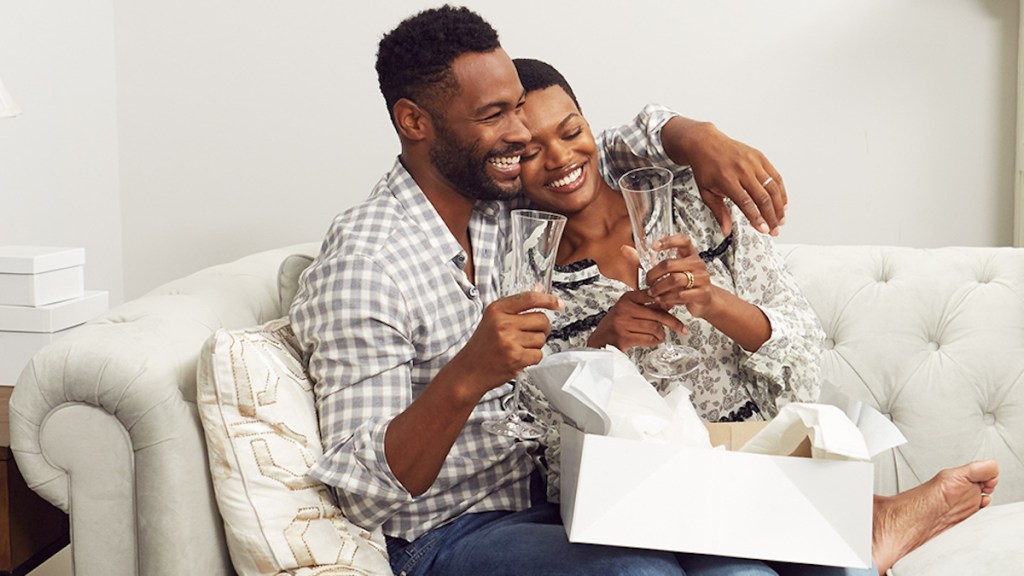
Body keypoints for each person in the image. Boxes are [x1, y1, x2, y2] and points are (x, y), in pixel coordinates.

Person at [290, 5, 818, 576]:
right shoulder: (364, 265)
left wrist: (693, 134)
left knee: (747, 562)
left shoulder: (497, 200)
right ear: (415, 122)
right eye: (495, 115)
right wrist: (469, 372)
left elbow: (584, 148)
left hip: (558, 505)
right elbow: (364, 493)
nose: (519, 134)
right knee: (642, 573)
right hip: (446, 532)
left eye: (516, 106)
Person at [510, 56, 1001, 576]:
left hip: (759, 466)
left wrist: (713, 301)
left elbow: (803, 354)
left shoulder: (697, 204)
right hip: (645, 502)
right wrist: (602, 347)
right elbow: (541, 440)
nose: (560, 157)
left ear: (590, 127)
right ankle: (871, 518)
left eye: (570, 131)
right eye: (528, 151)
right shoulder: (530, 273)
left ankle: (867, 520)